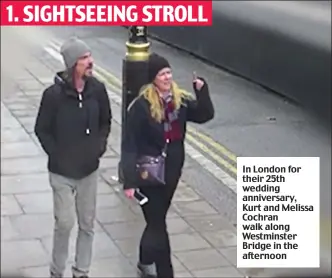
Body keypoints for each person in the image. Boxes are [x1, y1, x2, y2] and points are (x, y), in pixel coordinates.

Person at [121, 53, 214, 278]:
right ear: (153, 77)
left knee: (157, 220)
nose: (167, 77)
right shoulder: (141, 106)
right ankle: (164, 271)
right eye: (162, 74)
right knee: (156, 222)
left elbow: (204, 114)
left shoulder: (179, 100)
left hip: (172, 167)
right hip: (148, 170)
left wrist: (202, 91)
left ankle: (145, 261)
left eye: (169, 73)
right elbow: (130, 145)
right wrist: (129, 181)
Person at [34, 37, 112, 278]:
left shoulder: (97, 89)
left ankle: (81, 271)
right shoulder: (53, 95)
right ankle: (57, 272)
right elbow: (42, 129)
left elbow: (105, 122)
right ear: (71, 64)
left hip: (88, 170)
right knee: (65, 223)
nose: (90, 62)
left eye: (89, 56)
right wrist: (57, 155)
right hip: (61, 172)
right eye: (84, 58)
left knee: (87, 224)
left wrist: (98, 147)